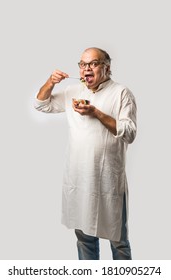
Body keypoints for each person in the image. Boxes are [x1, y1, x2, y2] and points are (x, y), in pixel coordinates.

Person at [34, 47, 137, 260]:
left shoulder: (121, 93)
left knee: (118, 242)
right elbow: (40, 104)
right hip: (79, 179)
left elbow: (129, 132)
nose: (86, 68)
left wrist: (96, 113)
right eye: (82, 64)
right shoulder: (74, 91)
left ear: (107, 68)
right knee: (84, 239)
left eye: (93, 63)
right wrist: (50, 82)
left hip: (108, 179)